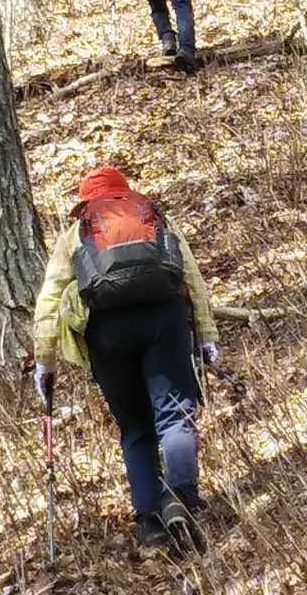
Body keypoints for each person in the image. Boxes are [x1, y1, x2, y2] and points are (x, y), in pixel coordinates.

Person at [32, 166, 220, 555]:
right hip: (164, 318)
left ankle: (150, 522)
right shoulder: (154, 219)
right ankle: (181, 499)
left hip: (107, 332)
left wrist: (44, 361)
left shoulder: (77, 233)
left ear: (86, 201)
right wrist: (206, 335)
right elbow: (192, 278)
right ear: (127, 193)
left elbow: (49, 300)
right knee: (175, 415)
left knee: (135, 427)